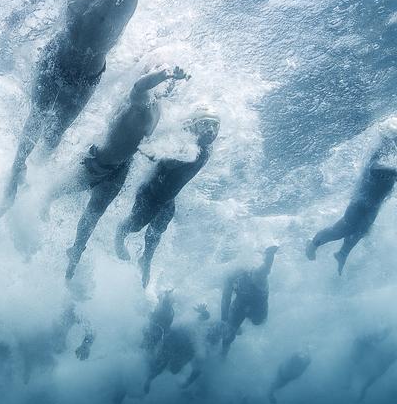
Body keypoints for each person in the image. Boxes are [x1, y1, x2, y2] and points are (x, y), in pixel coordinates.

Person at [0, 0, 249, 219]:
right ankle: (13, 180)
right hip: (54, 58)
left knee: (56, 132)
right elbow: (32, 4)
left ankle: (35, 177)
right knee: (34, 119)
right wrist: (11, 26)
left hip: (86, 75)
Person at [44, 65, 189, 282]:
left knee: (93, 215)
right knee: (50, 195)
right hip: (97, 161)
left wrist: (172, 82)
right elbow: (139, 86)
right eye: (163, 83)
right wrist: (163, 74)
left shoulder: (158, 108)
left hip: (119, 170)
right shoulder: (141, 100)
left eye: (169, 85)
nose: (168, 87)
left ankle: (75, 254)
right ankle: (31, 215)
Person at [114, 108, 221, 287]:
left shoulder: (206, 148)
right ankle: (119, 235)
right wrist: (158, 154)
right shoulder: (187, 144)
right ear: (193, 127)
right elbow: (173, 158)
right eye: (205, 124)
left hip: (168, 198)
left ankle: (145, 261)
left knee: (156, 233)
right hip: (150, 194)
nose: (210, 130)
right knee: (136, 224)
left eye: (214, 126)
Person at [306, 128, 397, 274]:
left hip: (373, 207)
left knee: (361, 231)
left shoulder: (393, 159)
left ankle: (342, 255)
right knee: (341, 231)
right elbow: (386, 170)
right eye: (395, 142)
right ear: (386, 144)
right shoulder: (377, 161)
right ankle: (313, 244)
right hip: (359, 206)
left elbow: (394, 170)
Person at [220, 245, 276, 355]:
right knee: (228, 335)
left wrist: (270, 254)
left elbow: (266, 267)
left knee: (257, 322)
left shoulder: (256, 274)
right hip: (240, 304)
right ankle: (223, 355)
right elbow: (225, 299)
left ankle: (237, 327)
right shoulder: (230, 277)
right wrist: (225, 322)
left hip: (259, 304)